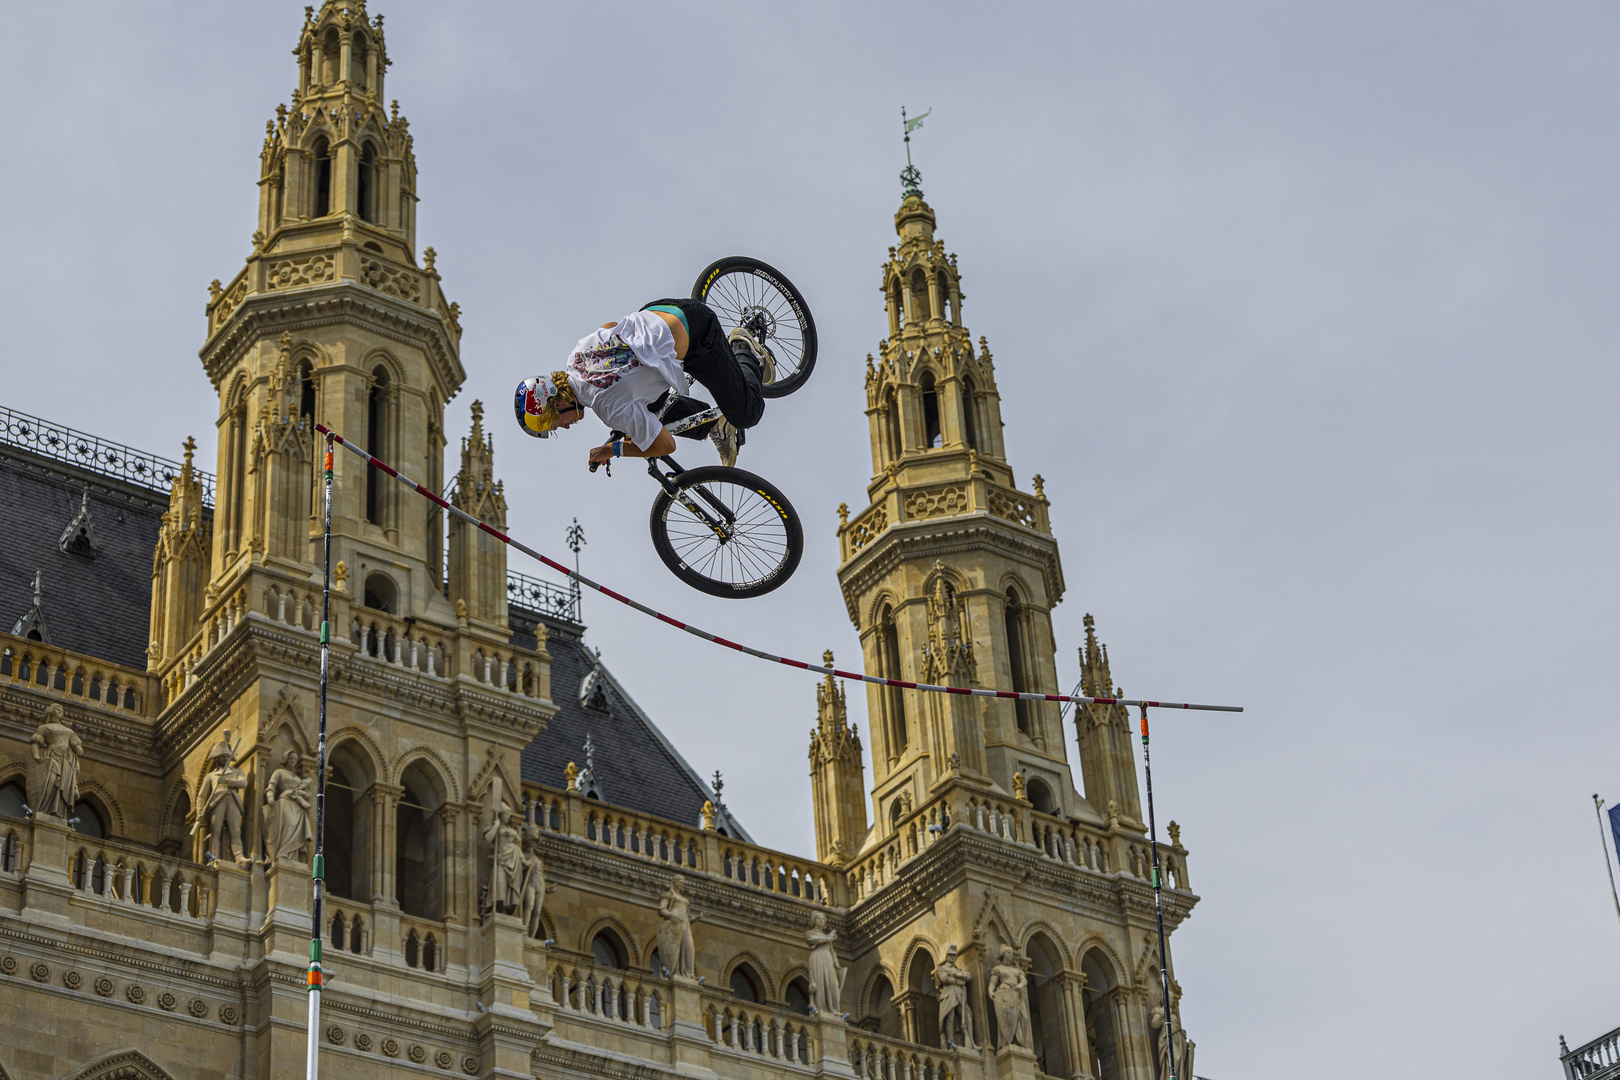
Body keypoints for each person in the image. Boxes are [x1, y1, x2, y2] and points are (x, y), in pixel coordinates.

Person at [515, 299, 773, 468]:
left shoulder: (607, 407)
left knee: (747, 413)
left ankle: (743, 346)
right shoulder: (576, 355)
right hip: (660, 309)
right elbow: (610, 327)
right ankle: (715, 425)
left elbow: (665, 446)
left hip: (698, 336)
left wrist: (614, 449)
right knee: (648, 408)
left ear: (557, 401)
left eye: (556, 421)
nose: (565, 426)